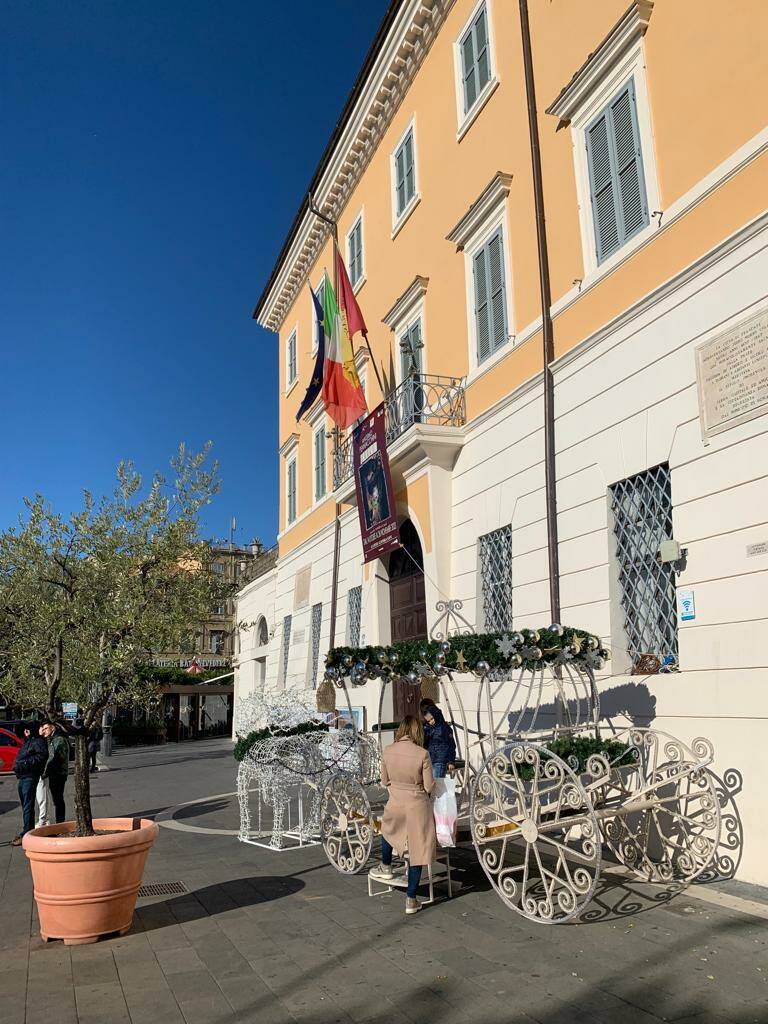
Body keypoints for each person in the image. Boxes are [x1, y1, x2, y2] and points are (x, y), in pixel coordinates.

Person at [371, 715, 436, 915]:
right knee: (417, 850)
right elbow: (428, 786)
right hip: (417, 805)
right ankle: (411, 899)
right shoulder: (422, 754)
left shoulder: (388, 751)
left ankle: (386, 865)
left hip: (396, 802)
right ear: (417, 731)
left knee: (388, 831)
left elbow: (384, 780)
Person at [11, 722, 49, 846]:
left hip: (29, 777)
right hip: (23, 777)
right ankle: (28, 830)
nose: (25, 734)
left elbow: (41, 757)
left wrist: (23, 764)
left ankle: (27, 832)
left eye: (26, 731)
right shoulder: (30, 741)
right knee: (26, 806)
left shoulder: (38, 741)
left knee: (28, 805)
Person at [40, 722, 69, 824]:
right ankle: (60, 821)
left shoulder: (59, 740)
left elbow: (53, 758)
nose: (44, 731)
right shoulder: (53, 739)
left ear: (52, 728)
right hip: (56, 772)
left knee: (58, 799)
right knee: (57, 799)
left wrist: (45, 772)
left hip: (58, 773)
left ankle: (60, 822)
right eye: (43, 729)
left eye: (46, 728)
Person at [419, 700, 456, 779]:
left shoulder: (444, 728)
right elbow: (424, 744)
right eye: (428, 721)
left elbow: (451, 745)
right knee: (429, 783)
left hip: (440, 761)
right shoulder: (426, 728)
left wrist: (451, 761)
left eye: (432, 719)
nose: (431, 722)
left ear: (436, 714)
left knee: (437, 783)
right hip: (429, 760)